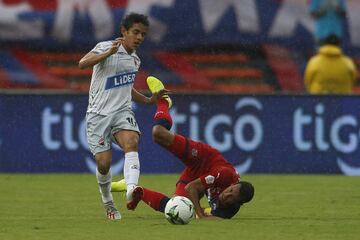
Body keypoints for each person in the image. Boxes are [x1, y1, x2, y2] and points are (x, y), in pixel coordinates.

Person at [113, 76, 255, 219]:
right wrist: (200, 214)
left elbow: (214, 216)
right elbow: (191, 188)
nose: (227, 194)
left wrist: (198, 213)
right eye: (230, 190)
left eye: (232, 197)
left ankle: (134, 190)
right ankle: (163, 101)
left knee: (175, 207)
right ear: (232, 184)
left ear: (239, 203)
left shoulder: (230, 210)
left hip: (196, 177)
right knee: (158, 133)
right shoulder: (226, 175)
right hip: (202, 158)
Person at [78, 13, 169, 220]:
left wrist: (148, 100)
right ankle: (108, 201)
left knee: (132, 141)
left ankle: (131, 189)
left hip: (121, 112)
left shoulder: (135, 60)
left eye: (143, 35)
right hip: (98, 115)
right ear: (124, 31)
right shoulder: (105, 46)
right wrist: (107, 54)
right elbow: (82, 64)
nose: (139, 38)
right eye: (135, 32)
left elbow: (127, 88)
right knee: (104, 164)